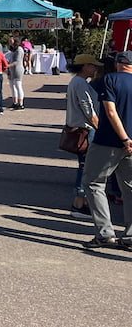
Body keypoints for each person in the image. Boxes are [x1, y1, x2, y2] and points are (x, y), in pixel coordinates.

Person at [81, 51, 132, 250]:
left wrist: (124, 138)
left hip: (108, 141)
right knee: (129, 188)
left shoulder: (109, 80)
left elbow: (110, 111)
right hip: (130, 145)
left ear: (118, 64)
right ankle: (130, 235)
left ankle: (105, 233)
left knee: (93, 182)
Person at [66, 54, 103, 219]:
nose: (95, 68)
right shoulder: (80, 83)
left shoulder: (76, 82)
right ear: (84, 66)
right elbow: (88, 110)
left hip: (79, 128)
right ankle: (79, 203)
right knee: (86, 167)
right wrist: (99, 126)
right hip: (85, 129)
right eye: (93, 65)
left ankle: (82, 201)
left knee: (85, 166)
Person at [7, 44, 26, 110]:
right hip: (11, 70)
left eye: (11, 42)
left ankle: (21, 104)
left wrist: (7, 66)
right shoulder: (12, 51)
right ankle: (15, 102)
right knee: (12, 86)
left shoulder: (19, 50)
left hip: (18, 70)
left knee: (18, 86)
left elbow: (17, 61)